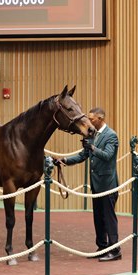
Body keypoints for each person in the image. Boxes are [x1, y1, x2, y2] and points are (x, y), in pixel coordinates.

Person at [54, 107, 121, 262]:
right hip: (96, 186)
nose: (89, 121)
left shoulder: (111, 135)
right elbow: (83, 156)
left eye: (92, 119)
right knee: (98, 217)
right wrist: (64, 161)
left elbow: (107, 155)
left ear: (101, 118)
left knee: (109, 218)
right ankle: (102, 247)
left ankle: (115, 250)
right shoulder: (93, 135)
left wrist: (92, 147)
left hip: (108, 185)